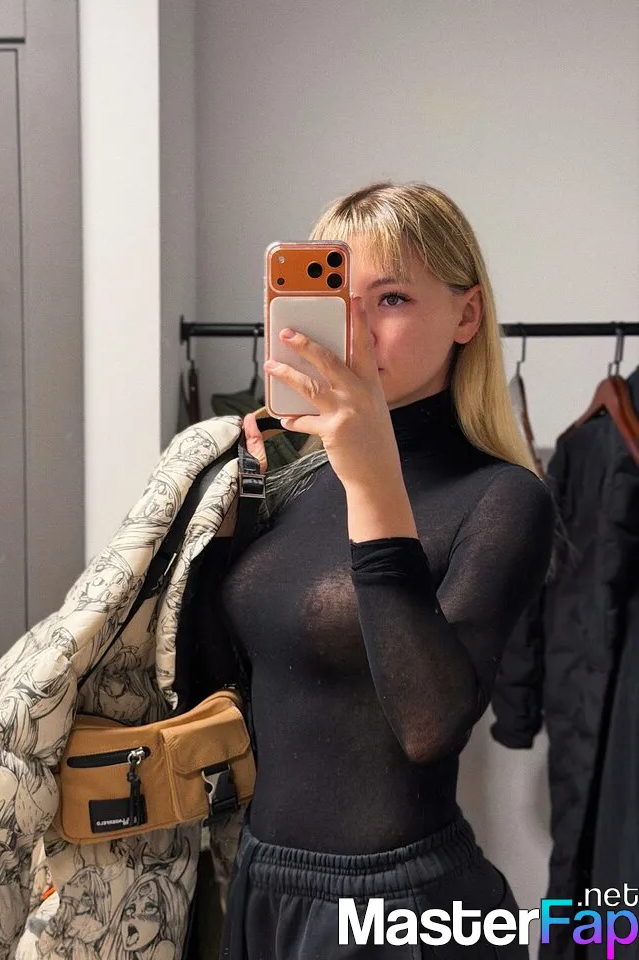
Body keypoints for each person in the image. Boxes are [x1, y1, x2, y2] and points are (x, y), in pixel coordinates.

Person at [187, 181, 557, 959]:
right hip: (259, 888)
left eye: (391, 299)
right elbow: (220, 686)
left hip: (400, 915)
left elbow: (429, 727)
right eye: (337, 299)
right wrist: (216, 536)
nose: (355, 329)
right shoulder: (289, 482)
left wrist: (372, 481)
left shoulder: (503, 497)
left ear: (466, 315)